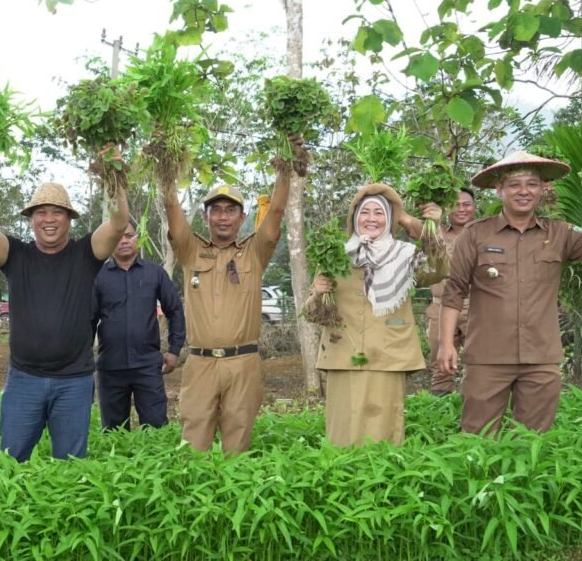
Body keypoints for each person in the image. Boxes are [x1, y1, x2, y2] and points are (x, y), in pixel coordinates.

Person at [438, 151, 582, 435]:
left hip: (541, 359)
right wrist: (446, 344)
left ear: (543, 188)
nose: (524, 191)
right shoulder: (475, 234)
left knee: (533, 440)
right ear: (500, 189)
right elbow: (454, 291)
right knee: (477, 437)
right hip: (487, 356)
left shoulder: (560, 233)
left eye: (532, 184)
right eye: (514, 184)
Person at [0, 179, 129, 461]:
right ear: (31, 219)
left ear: (69, 218)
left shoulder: (85, 254)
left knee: (70, 467)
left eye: (57, 211)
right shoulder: (15, 255)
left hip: (74, 381)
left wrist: (113, 176)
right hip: (23, 380)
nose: (49, 219)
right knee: (11, 462)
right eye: (41, 212)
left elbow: (118, 224)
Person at [159, 167, 289, 454]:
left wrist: (287, 167)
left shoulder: (255, 251)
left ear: (242, 217)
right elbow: (171, 207)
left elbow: (277, 210)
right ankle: (193, 496)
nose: (222, 216)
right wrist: (166, 163)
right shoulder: (190, 250)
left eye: (230, 210)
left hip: (243, 363)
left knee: (238, 444)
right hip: (200, 364)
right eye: (215, 210)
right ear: (205, 217)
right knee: (192, 445)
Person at [309, 183, 447, 446]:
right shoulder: (334, 255)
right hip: (343, 357)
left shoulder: (405, 255)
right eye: (365, 212)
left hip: (388, 356)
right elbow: (316, 314)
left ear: (390, 219)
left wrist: (430, 226)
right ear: (354, 218)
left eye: (380, 213)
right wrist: (316, 293)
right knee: (342, 432)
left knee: (384, 431)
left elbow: (438, 270)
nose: (371, 219)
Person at [93, 220, 185, 430]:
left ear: (138, 238)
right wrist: (82, 359)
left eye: (129, 235)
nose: (124, 241)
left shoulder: (155, 274)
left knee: (155, 427)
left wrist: (174, 349)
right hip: (110, 367)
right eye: (118, 236)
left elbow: (175, 310)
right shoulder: (99, 276)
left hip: (147, 366)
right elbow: (88, 319)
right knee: (114, 432)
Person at [422, 188, 476, 395]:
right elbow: (406, 221)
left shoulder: (485, 233)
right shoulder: (435, 231)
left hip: (477, 307)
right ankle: (440, 411)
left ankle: (476, 408)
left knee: (481, 362)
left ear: (474, 207)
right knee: (440, 364)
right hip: (441, 307)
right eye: (455, 204)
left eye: (466, 204)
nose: (461, 209)